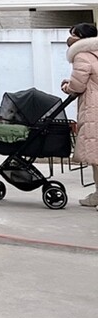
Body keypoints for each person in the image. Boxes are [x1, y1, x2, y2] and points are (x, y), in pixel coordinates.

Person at [61, 22, 98, 207]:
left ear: (82, 38)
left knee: (96, 155)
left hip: (93, 108)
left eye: (73, 34)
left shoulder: (82, 55)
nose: (70, 38)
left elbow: (78, 85)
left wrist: (67, 86)